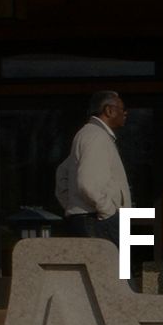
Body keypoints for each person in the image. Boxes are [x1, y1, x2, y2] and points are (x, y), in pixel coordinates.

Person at [55, 91, 131, 244]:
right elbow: (87, 183)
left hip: (91, 218)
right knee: (110, 260)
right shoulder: (96, 136)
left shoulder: (88, 134)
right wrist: (108, 211)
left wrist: (72, 206)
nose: (125, 113)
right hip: (98, 220)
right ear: (109, 110)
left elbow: (62, 174)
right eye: (122, 109)